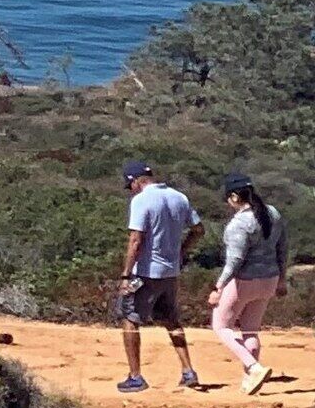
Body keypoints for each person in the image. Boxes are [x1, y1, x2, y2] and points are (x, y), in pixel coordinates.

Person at [114, 160, 204, 393]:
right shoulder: (179, 197)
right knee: (171, 320)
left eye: (130, 185)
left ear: (135, 181)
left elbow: (135, 240)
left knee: (130, 318)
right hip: (170, 272)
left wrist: (125, 275)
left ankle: (135, 376)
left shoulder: (141, 201)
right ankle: (188, 371)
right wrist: (181, 252)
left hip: (146, 271)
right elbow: (198, 230)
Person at [210, 175, 287, 395]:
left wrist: (219, 288)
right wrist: (282, 278)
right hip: (269, 279)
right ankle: (248, 381)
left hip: (245, 281)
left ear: (234, 197)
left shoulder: (239, 224)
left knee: (221, 326)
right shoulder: (272, 213)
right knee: (250, 330)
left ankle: (253, 368)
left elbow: (234, 261)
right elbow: (283, 248)